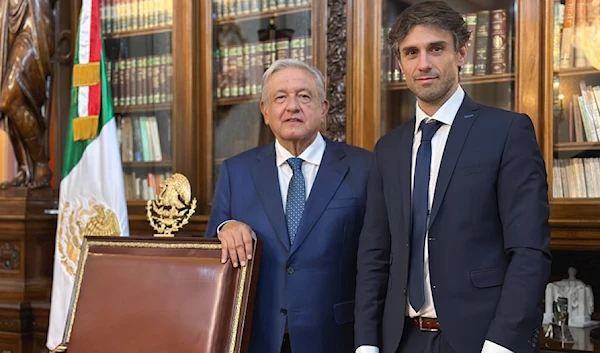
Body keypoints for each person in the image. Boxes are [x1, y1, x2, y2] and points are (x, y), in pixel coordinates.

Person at [354, 2, 551, 353]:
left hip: (481, 340)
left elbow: (529, 251)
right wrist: (366, 343)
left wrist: (502, 343)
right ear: (400, 64)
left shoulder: (506, 131)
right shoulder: (388, 149)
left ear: (461, 53)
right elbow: (375, 254)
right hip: (400, 341)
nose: (423, 63)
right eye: (410, 53)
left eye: (436, 49)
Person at [206, 58, 372, 353]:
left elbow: (378, 261)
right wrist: (225, 227)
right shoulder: (237, 171)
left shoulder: (364, 168)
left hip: (337, 338)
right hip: (258, 338)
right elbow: (212, 251)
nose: (292, 106)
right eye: (280, 97)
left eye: (304, 96)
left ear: (323, 109)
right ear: (265, 111)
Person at [0, 0, 55, 189]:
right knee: (11, 103)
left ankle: (41, 164)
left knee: (8, 98)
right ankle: (26, 167)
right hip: (9, 21)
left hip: (34, 26)